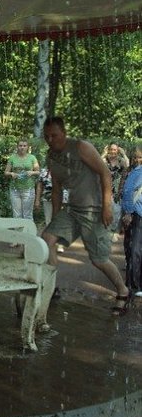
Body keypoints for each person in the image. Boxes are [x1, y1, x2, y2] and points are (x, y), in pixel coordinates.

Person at [41, 117, 130, 315]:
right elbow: (56, 189)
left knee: (98, 259)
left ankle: (123, 290)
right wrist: (54, 219)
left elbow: (105, 174)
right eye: (46, 136)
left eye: (54, 135)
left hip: (95, 210)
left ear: (64, 133)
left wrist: (106, 207)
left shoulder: (81, 147)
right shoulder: (51, 155)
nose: (50, 140)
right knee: (47, 239)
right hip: (72, 210)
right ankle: (51, 286)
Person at [121, 145, 142, 298]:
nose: (137, 159)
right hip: (136, 214)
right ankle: (133, 285)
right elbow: (128, 192)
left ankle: (133, 284)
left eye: (140, 157)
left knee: (133, 249)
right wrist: (128, 212)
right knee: (133, 250)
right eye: (135, 157)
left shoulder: (135, 172)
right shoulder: (134, 172)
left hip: (136, 214)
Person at [34, 167, 68, 254]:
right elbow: (39, 187)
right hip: (47, 199)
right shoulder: (43, 172)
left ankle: (60, 244)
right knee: (49, 221)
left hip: (62, 200)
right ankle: (50, 243)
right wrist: (37, 200)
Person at [102, 142, 129, 242]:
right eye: (111, 149)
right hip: (105, 189)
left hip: (117, 190)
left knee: (116, 212)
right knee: (105, 210)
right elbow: (98, 163)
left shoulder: (121, 161)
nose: (113, 151)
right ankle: (105, 231)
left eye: (115, 150)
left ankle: (113, 231)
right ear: (108, 150)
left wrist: (124, 153)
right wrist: (104, 153)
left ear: (117, 151)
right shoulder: (105, 160)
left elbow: (127, 165)